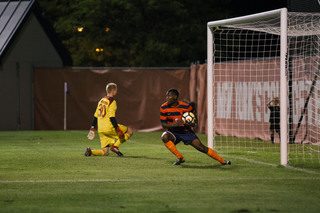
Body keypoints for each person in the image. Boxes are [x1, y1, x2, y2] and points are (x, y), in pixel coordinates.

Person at [160, 88, 231, 166]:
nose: (166, 98)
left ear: (175, 97)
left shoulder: (186, 107)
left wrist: (191, 123)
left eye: (168, 96)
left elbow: (195, 121)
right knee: (164, 137)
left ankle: (222, 161)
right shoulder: (163, 108)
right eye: (166, 96)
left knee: (201, 147)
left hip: (186, 131)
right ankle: (180, 157)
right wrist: (175, 124)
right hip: (173, 132)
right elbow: (164, 125)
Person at [85, 83, 133, 156]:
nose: (117, 91)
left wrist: (92, 128)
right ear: (113, 91)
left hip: (101, 129)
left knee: (105, 153)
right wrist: (118, 129)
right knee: (129, 131)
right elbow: (112, 117)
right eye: (116, 90)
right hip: (109, 127)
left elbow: (95, 116)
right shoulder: (112, 102)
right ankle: (115, 146)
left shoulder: (101, 100)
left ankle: (91, 152)